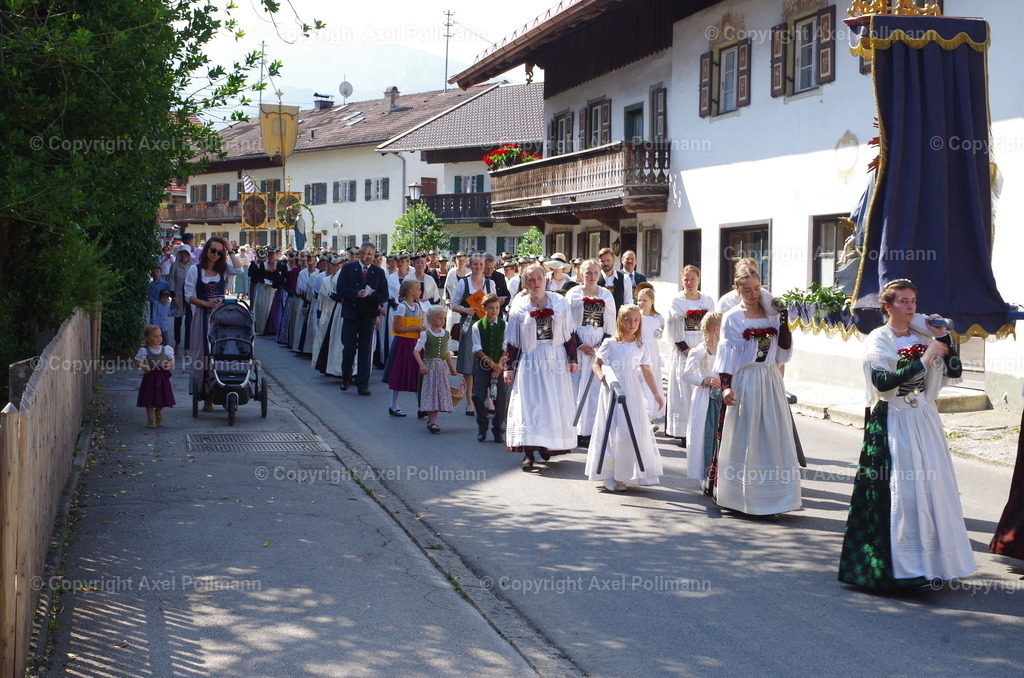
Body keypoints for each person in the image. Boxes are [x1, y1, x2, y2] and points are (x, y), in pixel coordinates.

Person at [838, 279, 975, 590]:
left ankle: (932, 565)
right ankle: (896, 569)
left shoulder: (923, 334)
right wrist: (924, 360)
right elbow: (882, 383)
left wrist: (944, 338)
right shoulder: (879, 339)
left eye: (912, 300)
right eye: (902, 300)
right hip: (893, 418)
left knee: (931, 491)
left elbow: (953, 370)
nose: (910, 306)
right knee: (903, 494)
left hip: (923, 418)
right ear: (887, 306)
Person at [712, 267, 799, 518]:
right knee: (747, 436)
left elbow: (783, 347)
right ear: (737, 290)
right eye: (747, 289)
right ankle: (741, 497)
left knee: (773, 435)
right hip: (746, 379)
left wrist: (783, 318)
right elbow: (726, 357)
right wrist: (726, 386)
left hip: (769, 378)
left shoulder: (771, 315)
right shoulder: (732, 317)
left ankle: (777, 498)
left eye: (756, 288)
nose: (752, 294)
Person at [503, 264, 579, 470]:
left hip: (555, 358)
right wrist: (508, 367)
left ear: (545, 280)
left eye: (539, 279)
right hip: (531, 358)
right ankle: (529, 452)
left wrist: (573, 359)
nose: (536, 283)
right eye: (531, 280)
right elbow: (512, 340)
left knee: (551, 403)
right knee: (530, 404)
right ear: (525, 283)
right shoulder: (519, 305)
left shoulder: (560, 303)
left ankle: (547, 444)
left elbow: (569, 334)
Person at [584, 304, 664, 491]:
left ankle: (624, 472)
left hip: (632, 391)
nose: (632, 324)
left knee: (630, 431)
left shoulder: (640, 346)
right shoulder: (610, 343)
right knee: (612, 429)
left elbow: (646, 371)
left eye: (636, 320)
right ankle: (608, 474)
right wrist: (602, 376)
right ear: (620, 321)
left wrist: (656, 393)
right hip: (613, 389)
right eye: (628, 319)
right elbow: (596, 364)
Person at [185, 236, 244, 411]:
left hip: (220, 317)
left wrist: (230, 248)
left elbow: (239, 270)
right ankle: (206, 396)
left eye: (220, 252)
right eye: (213, 250)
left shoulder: (223, 269)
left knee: (223, 351)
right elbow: (189, 295)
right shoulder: (195, 270)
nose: (216, 255)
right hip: (202, 315)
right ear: (206, 250)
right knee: (204, 354)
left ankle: (225, 390)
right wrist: (205, 304)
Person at [565, 259, 616, 446]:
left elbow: (611, 324)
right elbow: (566, 324)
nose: (592, 276)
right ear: (581, 274)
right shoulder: (572, 294)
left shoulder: (607, 296)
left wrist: (600, 347)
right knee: (576, 388)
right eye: (588, 273)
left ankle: (591, 431)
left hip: (598, 347)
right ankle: (574, 430)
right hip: (578, 347)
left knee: (595, 390)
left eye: (595, 273)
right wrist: (578, 344)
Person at [666, 265, 716, 445]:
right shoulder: (677, 301)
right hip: (684, 351)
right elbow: (674, 332)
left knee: (702, 389)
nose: (689, 283)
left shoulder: (708, 300)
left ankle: (703, 428)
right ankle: (684, 432)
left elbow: (712, 326)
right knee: (685, 389)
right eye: (686, 279)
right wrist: (688, 352)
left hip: (703, 351)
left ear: (699, 280)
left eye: (692, 279)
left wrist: (705, 351)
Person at [333, 242, 388, 396]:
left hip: (367, 316)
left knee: (365, 350)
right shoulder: (348, 268)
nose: (366, 257)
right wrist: (356, 293)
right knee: (349, 348)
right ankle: (345, 378)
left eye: (370, 254)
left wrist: (372, 297)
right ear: (359, 254)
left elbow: (384, 294)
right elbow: (340, 289)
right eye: (364, 253)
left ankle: (363, 384)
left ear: (374, 255)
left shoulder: (378, 272)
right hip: (351, 314)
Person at [452, 253, 496, 416]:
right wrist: (466, 309)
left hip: (487, 325)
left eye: (481, 264)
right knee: (469, 362)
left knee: (487, 360)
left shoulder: (490, 284)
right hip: (469, 324)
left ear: (484, 266)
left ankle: (488, 399)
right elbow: (454, 305)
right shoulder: (463, 283)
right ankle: (470, 400)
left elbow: (495, 305)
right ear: (470, 266)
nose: (478, 267)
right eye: (475, 264)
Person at [682, 312, 723, 485]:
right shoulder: (699, 351)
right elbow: (686, 375)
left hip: (722, 397)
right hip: (705, 399)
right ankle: (706, 475)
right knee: (706, 435)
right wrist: (703, 380)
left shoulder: (725, 349)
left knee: (722, 436)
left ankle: (721, 476)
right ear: (716, 329)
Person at [384, 279, 427, 417]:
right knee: (399, 372)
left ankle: (421, 406)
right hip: (403, 343)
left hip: (415, 342)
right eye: (418, 289)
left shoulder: (418, 306)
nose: (420, 291)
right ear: (411, 292)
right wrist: (416, 328)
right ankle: (393, 404)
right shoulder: (402, 307)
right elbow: (397, 328)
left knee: (417, 372)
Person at [413, 305, 458, 433]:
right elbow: (416, 351)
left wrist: (452, 368)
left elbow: (446, 353)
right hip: (430, 367)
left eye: (443, 318)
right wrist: (422, 365)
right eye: (439, 318)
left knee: (439, 393)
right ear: (431, 319)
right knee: (431, 392)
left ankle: (433, 420)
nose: (442, 321)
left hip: (442, 367)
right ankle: (432, 421)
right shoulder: (425, 334)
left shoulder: (446, 334)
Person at [471, 294, 508, 443]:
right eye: (491, 308)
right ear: (484, 308)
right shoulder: (477, 326)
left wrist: (499, 367)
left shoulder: (504, 324)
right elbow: (477, 348)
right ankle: (482, 425)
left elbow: (506, 346)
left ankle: (498, 429)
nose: (494, 311)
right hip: (483, 366)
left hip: (500, 365)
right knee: (477, 396)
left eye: (497, 308)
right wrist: (492, 365)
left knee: (500, 400)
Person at [135, 324, 175, 427]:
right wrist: (143, 365)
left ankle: (158, 411)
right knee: (149, 398)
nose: (159, 338)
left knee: (164, 396)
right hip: (150, 377)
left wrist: (170, 364)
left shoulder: (166, 349)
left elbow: (172, 358)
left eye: (160, 335)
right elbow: (137, 361)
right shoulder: (144, 351)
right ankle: (150, 419)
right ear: (148, 339)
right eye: (155, 336)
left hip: (162, 377)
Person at [636, 284, 666, 422]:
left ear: (652, 301)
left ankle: (652, 412)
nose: (641, 303)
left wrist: (659, 332)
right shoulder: (637, 316)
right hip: (640, 348)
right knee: (641, 379)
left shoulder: (657, 318)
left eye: (645, 300)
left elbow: (661, 330)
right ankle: (643, 411)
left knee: (653, 377)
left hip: (652, 350)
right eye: (639, 300)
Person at [166, 245, 193, 355]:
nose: (184, 255)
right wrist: (174, 297)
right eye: (182, 253)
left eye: (186, 253)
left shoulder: (193, 266)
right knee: (177, 322)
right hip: (178, 295)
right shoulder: (174, 266)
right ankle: (177, 342)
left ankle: (187, 347)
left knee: (189, 322)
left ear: (189, 255)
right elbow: (171, 282)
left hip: (190, 297)